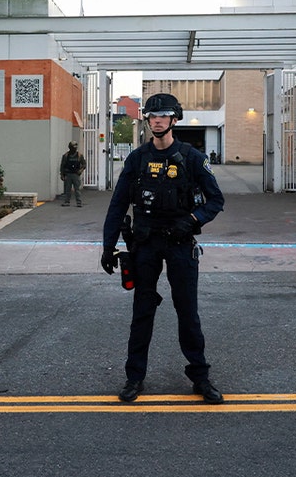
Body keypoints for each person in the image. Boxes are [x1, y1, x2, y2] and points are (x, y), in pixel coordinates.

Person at [101, 93, 226, 404]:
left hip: (181, 244)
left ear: (175, 119)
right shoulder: (137, 158)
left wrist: (193, 219)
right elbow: (118, 205)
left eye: (164, 115)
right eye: (152, 115)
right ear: (147, 119)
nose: (157, 120)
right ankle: (134, 378)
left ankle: (200, 377)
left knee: (188, 313)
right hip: (145, 245)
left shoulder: (192, 158)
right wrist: (107, 246)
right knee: (142, 312)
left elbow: (216, 201)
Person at [59, 141, 86, 207]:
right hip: (68, 174)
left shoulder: (79, 155)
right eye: (73, 147)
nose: (74, 148)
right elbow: (62, 166)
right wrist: (62, 175)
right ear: (70, 147)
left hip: (76, 174)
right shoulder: (65, 156)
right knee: (67, 189)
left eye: (75, 147)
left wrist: (81, 170)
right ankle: (67, 202)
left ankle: (79, 202)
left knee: (77, 189)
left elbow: (84, 164)